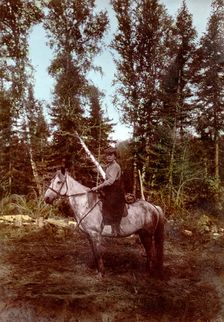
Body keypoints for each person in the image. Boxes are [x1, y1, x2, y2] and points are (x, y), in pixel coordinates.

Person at [91, 147, 126, 236]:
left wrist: (98, 187)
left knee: (108, 203)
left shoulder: (115, 166)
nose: (109, 157)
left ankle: (112, 227)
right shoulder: (109, 166)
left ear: (115, 156)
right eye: (107, 155)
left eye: (111, 155)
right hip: (110, 189)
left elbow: (110, 181)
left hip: (115, 190)